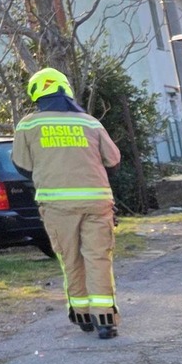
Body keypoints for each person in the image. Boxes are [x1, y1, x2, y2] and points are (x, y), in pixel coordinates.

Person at [11, 68, 122, 338]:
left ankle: (83, 316)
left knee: (70, 259)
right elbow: (114, 160)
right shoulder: (90, 123)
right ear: (65, 89)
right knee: (97, 258)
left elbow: (22, 166)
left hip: (57, 206)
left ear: (36, 94)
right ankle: (105, 320)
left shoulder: (28, 125)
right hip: (97, 203)